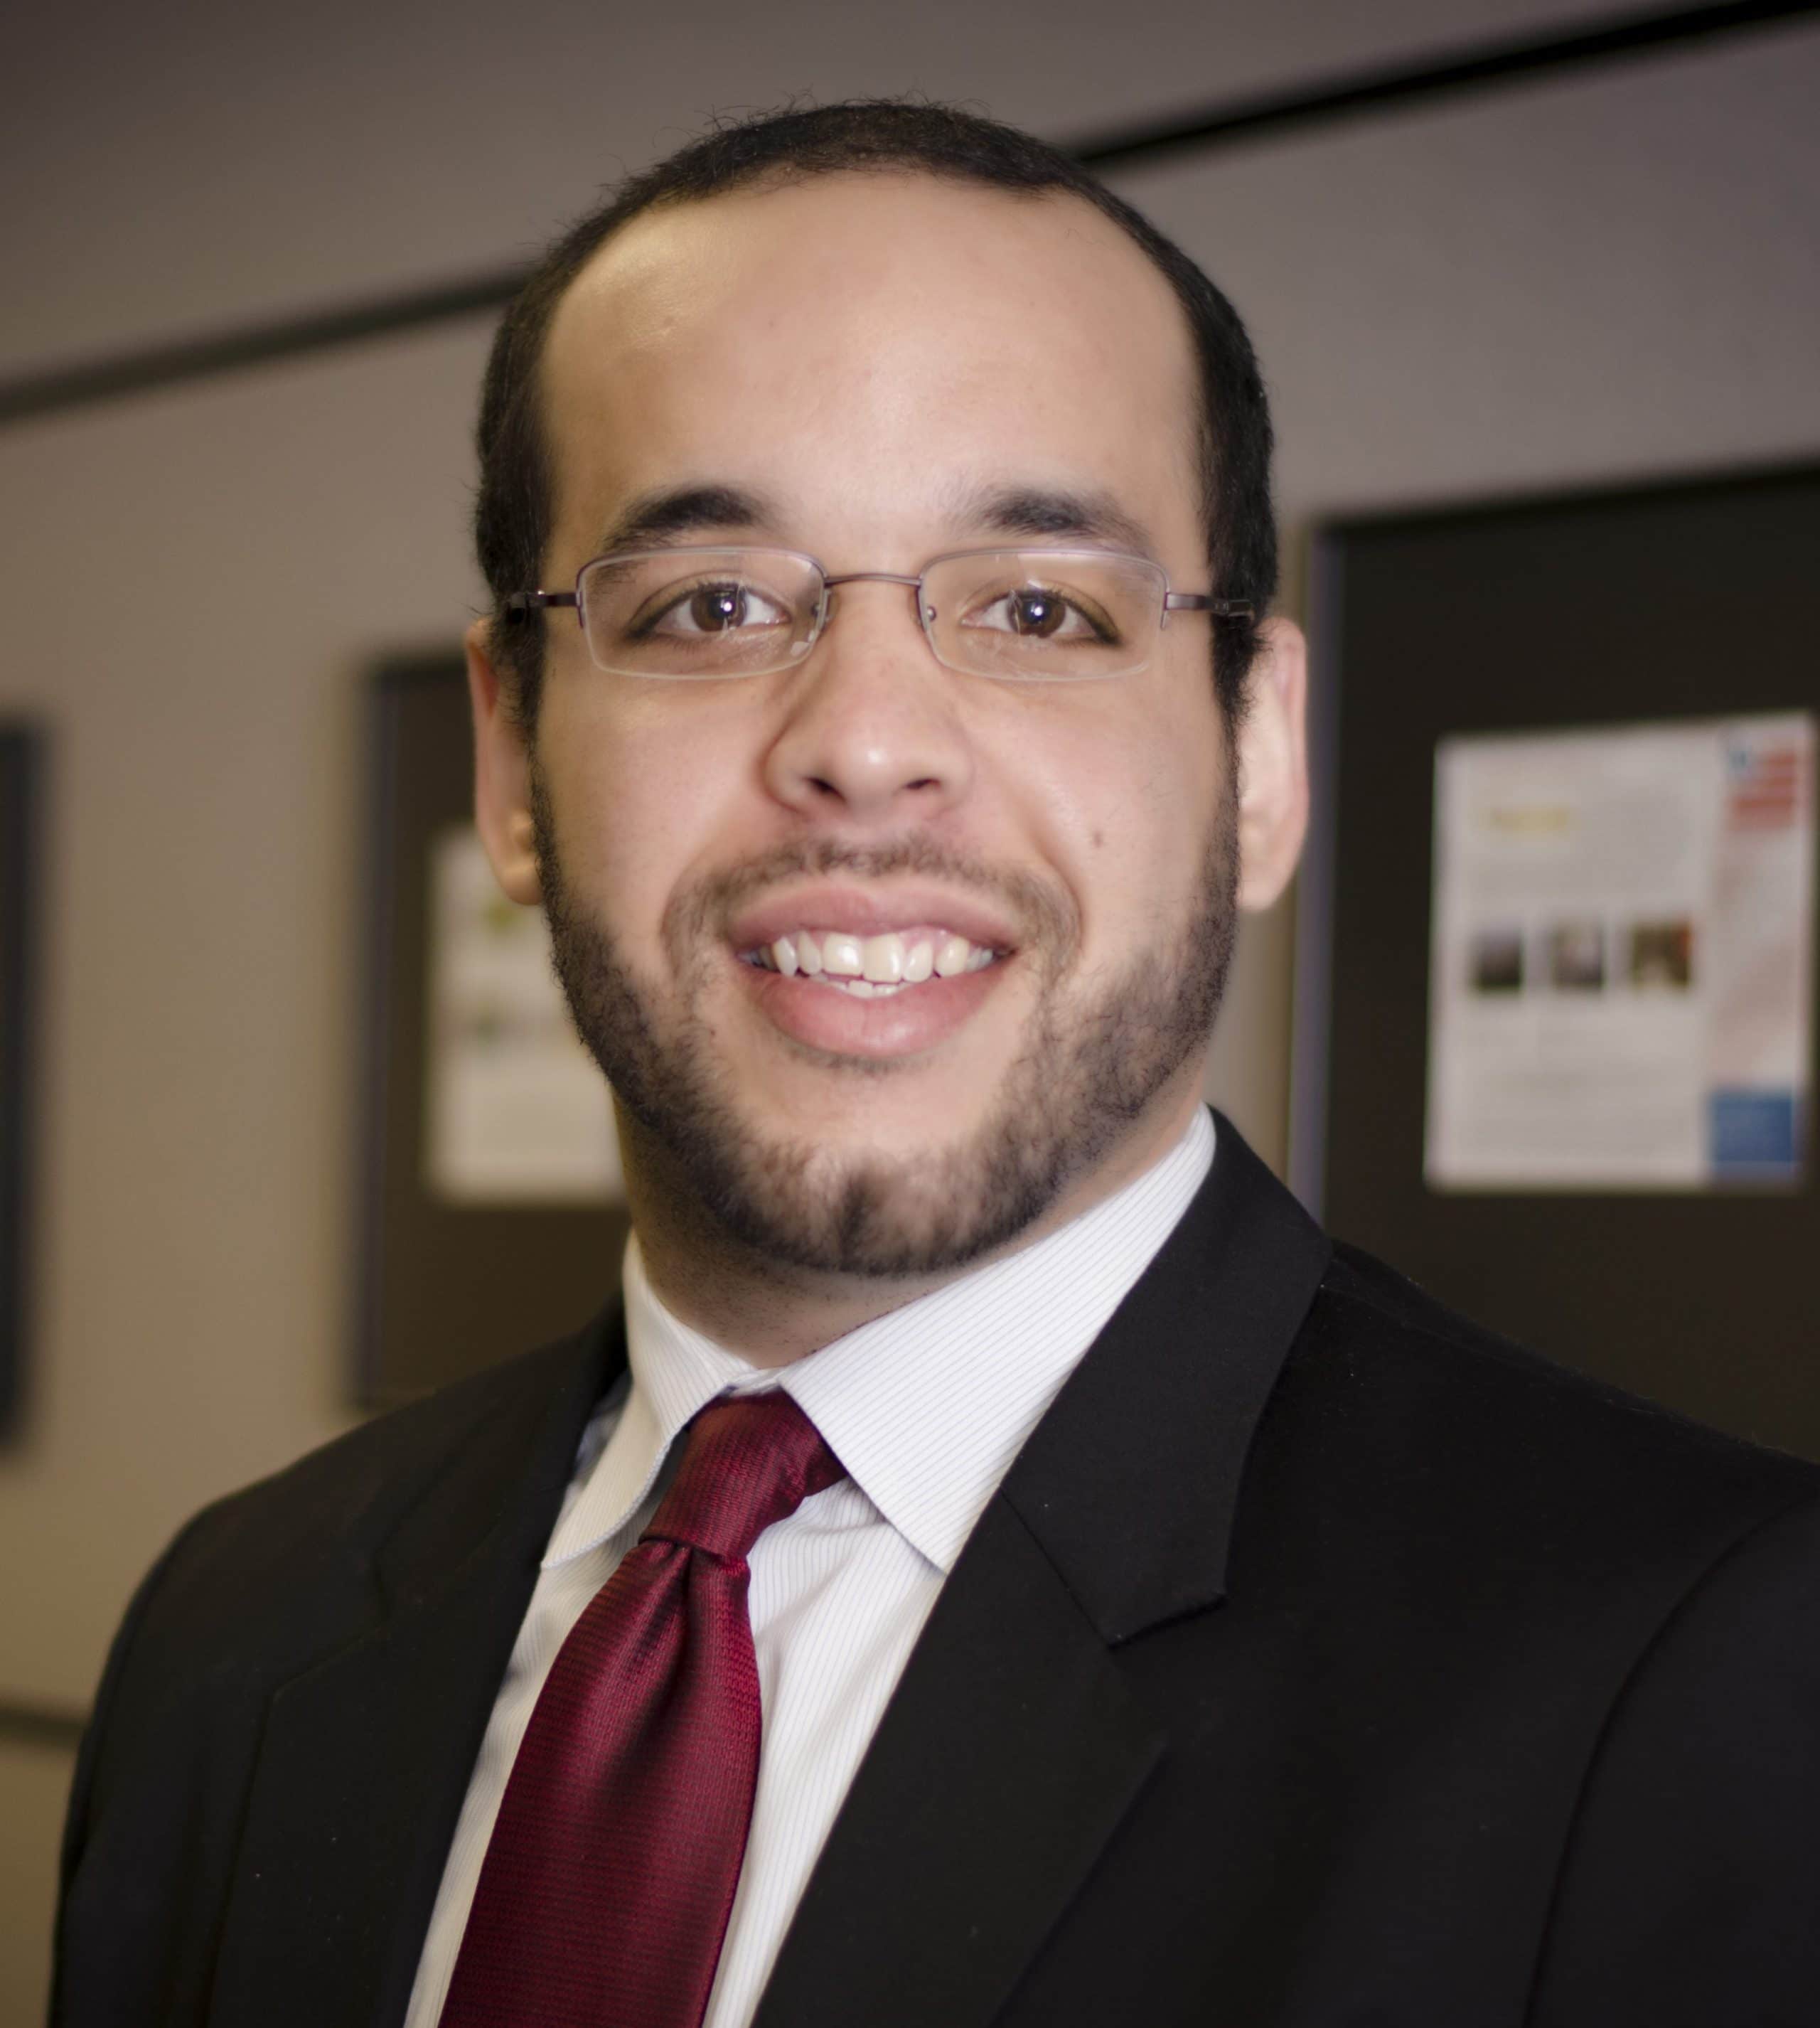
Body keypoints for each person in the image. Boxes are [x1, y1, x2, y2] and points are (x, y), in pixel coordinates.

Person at [53, 100, 1820, 2028]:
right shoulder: (234, 1626)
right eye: (712, 607)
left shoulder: (1701, 1681)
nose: (868, 744)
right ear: (511, 761)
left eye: (1040, 608)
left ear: (1258, 759)